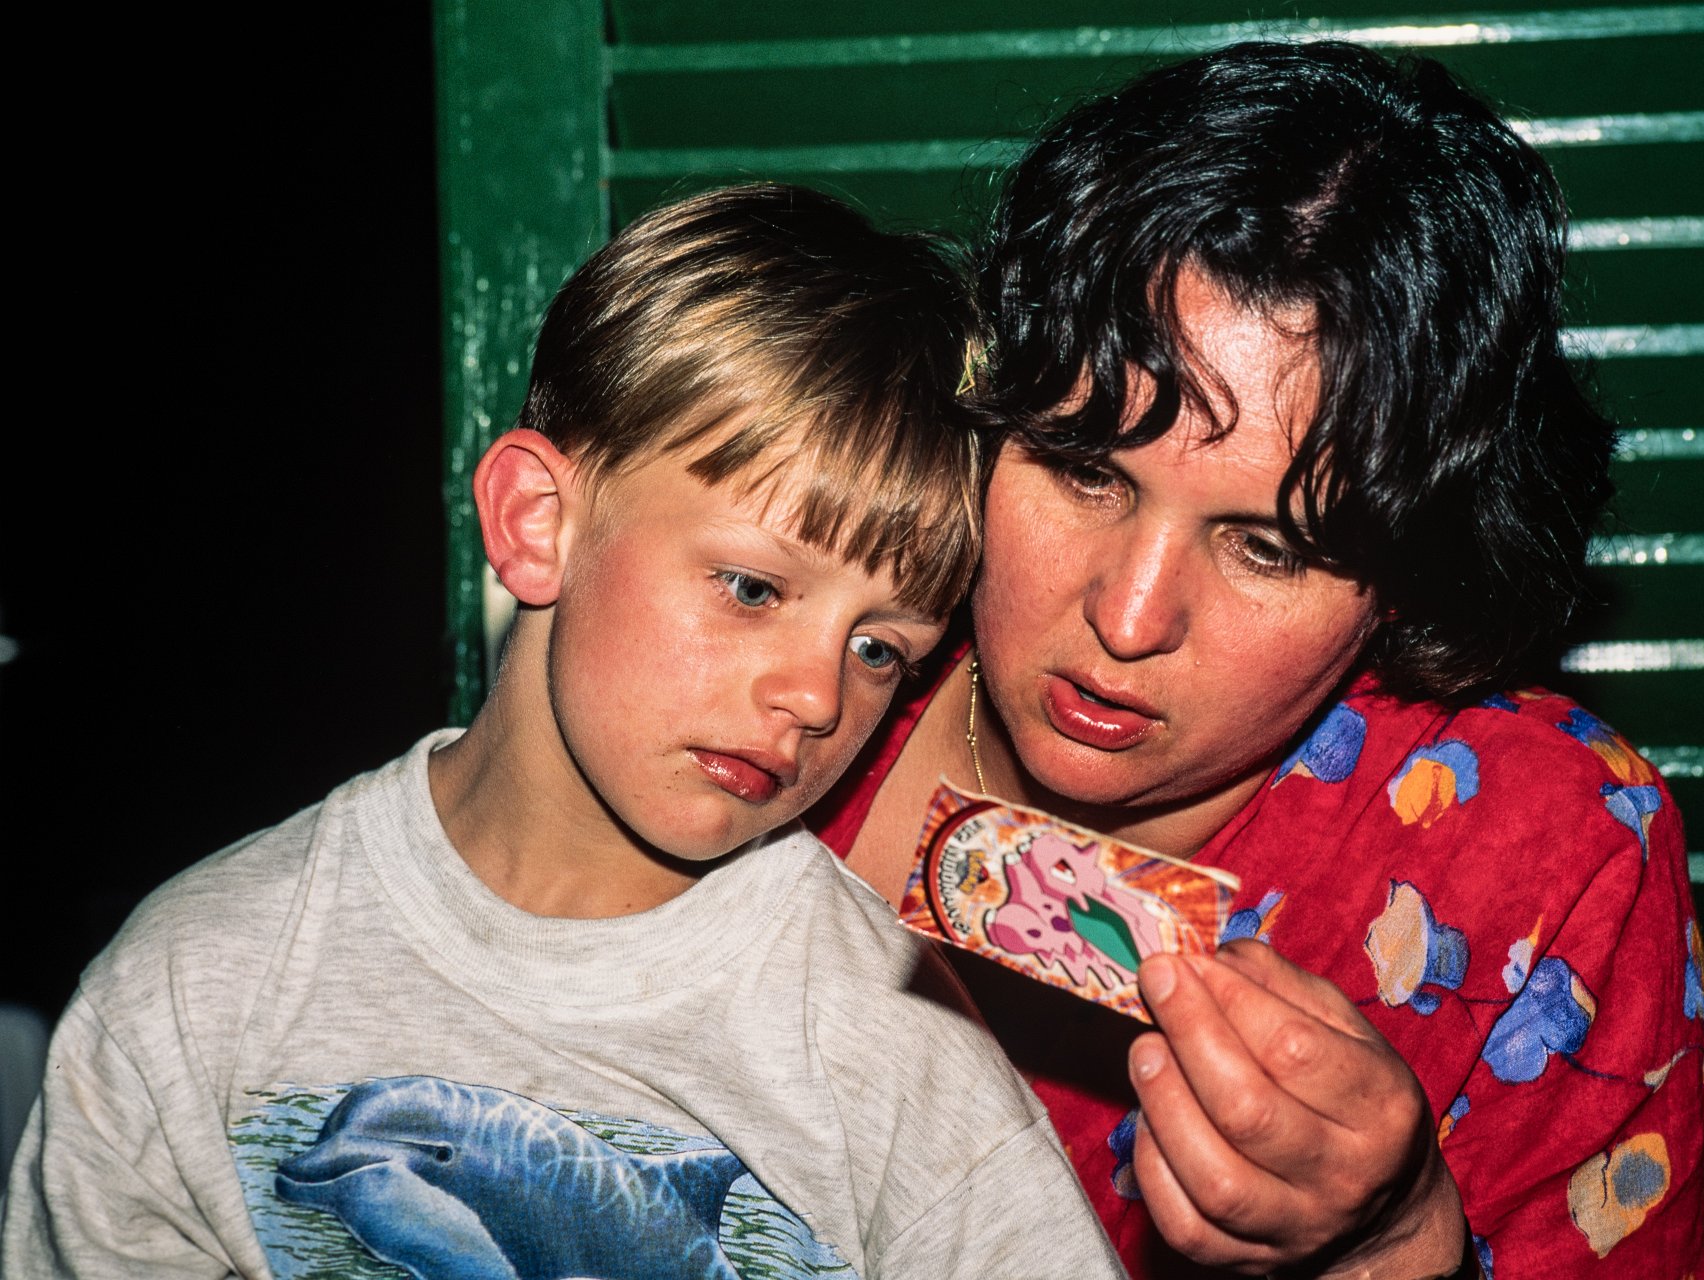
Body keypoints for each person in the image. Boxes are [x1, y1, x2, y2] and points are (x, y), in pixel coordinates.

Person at [3, 184, 1124, 1280]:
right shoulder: (195, 985)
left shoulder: (894, 1043)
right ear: (538, 522)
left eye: (878, 648)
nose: (817, 697)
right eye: (751, 587)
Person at [813, 42, 1704, 1279]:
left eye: (1266, 547)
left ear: (1405, 575)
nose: (1129, 616)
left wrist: (1398, 1239)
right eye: (1085, 470)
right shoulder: (806, 657)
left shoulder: (1544, 853)